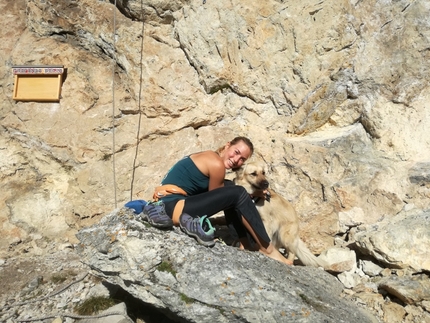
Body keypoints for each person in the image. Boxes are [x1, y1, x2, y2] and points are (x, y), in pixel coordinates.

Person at [143, 136, 293, 266]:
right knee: (237, 193)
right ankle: (267, 248)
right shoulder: (216, 163)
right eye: (236, 152)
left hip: (170, 205)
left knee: (230, 187)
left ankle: (246, 244)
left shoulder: (208, 156)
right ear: (228, 145)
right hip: (172, 207)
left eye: (242, 159)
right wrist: (254, 194)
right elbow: (222, 198)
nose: (236, 160)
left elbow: (221, 192)